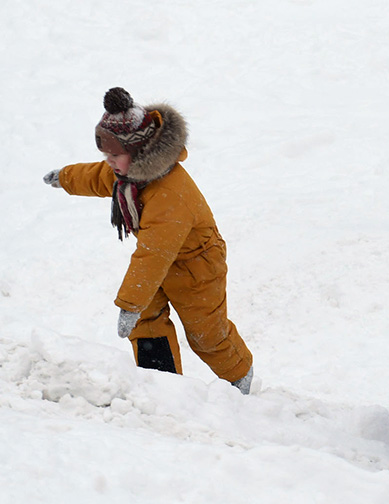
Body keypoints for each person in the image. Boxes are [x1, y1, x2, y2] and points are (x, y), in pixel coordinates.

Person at [43, 87, 254, 393]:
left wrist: (129, 304)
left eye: (115, 155)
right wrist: (65, 177)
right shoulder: (130, 175)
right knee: (146, 322)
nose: (110, 162)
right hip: (163, 260)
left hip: (197, 266)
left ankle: (240, 378)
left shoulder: (169, 194)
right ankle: (162, 384)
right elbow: (98, 176)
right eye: (107, 155)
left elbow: (152, 255)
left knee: (206, 334)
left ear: (140, 152)